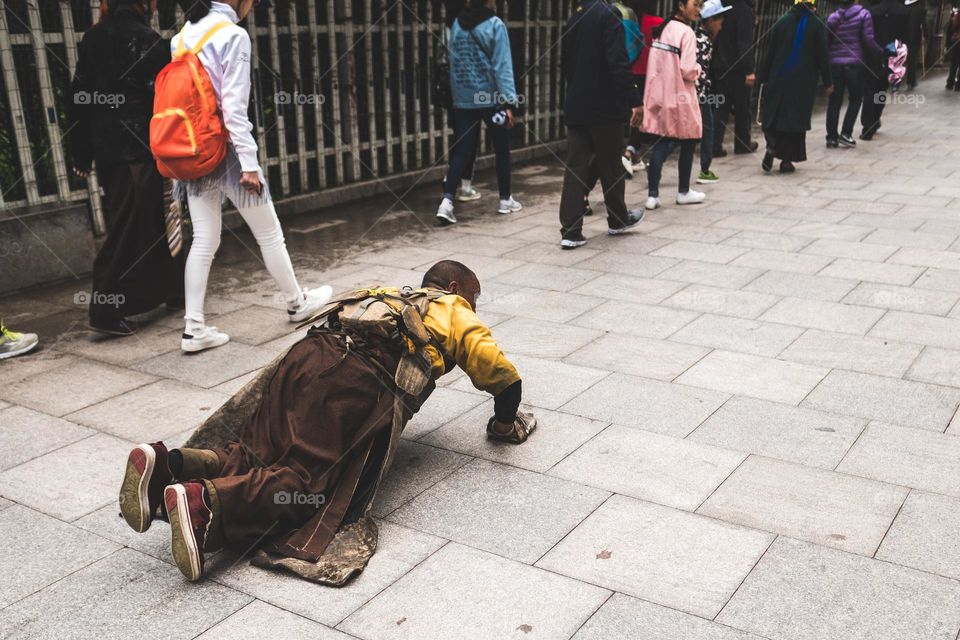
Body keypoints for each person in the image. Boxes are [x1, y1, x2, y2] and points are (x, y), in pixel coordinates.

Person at [117, 261, 535, 583]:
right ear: (455, 288)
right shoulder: (453, 308)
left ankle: (167, 467)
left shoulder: (388, 293)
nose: (475, 308)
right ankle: (200, 505)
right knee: (307, 482)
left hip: (305, 354)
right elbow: (502, 375)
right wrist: (504, 424)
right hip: (353, 378)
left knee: (256, 450)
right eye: (475, 298)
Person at [172, 0, 331, 353]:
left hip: (195, 152)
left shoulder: (181, 37)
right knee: (269, 233)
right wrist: (248, 164)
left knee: (204, 240)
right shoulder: (232, 35)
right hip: (228, 152)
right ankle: (296, 302)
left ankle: (193, 328)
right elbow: (233, 108)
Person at [68, 0, 184, 337]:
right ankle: (104, 310)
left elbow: (79, 94)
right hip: (141, 147)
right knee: (134, 223)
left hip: (111, 151)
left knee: (151, 218)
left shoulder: (94, 37)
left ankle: (174, 290)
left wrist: (80, 153)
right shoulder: (145, 38)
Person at [557, 0, 645, 250]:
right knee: (611, 165)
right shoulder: (609, 14)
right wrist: (633, 99)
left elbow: (565, 64)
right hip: (604, 106)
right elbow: (618, 60)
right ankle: (617, 219)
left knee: (575, 167)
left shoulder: (575, 16)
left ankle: (571, 231)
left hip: (577, 104)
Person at [436, 0, 522, 225]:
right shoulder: (495, 25)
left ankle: (447, 202)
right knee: (501, 148)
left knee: (462, 152)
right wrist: (509, 102)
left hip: (464, 99)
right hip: (490, 99)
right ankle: (505, 200)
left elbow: (454, 64)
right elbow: (502, 66)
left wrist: (459, 96)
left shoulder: (457, 25)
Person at [641, 0, 705, 210]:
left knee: (661, 143)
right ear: (680, 5)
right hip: (681, 96)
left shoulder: (663, 28)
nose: (698, 10)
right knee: (689, 140)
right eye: (695, 5)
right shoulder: (686, 33)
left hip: (660, 94)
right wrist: (699, 70)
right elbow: (687, 70)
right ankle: (683, 191)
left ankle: (653, 195)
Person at [757, 0, 832, 173]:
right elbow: (822, 55)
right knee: (794, 121)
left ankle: (772, 145)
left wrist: (764, 77)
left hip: (779, 77)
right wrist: (828, 81)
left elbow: (771, 51)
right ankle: (786, 161)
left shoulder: (782, 21)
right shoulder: (816, 24)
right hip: (802, 82)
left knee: (775, 113)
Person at [824, 0, 883, 148]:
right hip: (855, 64)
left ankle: (831, 137)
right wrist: (880, 52)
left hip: (835, 63)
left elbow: (827, 41)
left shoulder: (832, 17)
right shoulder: (864, 15)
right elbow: (868, 39)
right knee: (856, 98)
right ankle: (846, 133)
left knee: (834, 101)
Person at [711, 0, 759, 156]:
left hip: (719, 66)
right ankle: (742, 143)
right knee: (742, 107)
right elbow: (744, 43)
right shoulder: (743, 10)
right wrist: (749, 70)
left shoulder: (721, 6)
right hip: (737, 68)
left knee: (720, 108)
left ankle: (714, 145)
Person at [623, 0, 663, 172]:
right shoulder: (658, 23)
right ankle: (629, 153)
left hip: (631, 73)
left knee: (635, 116)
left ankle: (632, 154)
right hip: (651, 76)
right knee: (648, 115)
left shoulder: (630, 21)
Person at [695, 0, 732, 184]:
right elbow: (699, 74)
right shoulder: (704, 42)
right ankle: (705, 170)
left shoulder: (700, 38)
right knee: (704, 131)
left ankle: (705, 168)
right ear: (710, 21)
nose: (720, 27)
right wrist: (701, 101)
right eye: (719, 22)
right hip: (701, 95)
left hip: (701, 94)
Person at [861, 0, 908, 138]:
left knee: (869, 90)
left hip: (872, 54)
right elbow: (904, 37)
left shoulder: (871, 11)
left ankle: (867, 125)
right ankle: (875, 118)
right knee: (882, 88)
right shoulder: (903, 12)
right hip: (891, 55)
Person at [903, 0, 925, 89]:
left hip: (904, 38)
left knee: (901, 61)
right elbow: (923, 25)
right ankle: (911, 82)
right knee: (912, 61)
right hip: (915, 39)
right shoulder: (921, 11)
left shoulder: (903, 10)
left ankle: (896, 83)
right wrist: (924, 36)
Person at [947, 2, 960, 90]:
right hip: (957, 39)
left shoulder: (958, 14)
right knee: (955, 63)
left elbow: (953, 26)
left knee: (954, 63)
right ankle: (957, 85)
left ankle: (950, 83)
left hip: (956, 39)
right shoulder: (958, 14)